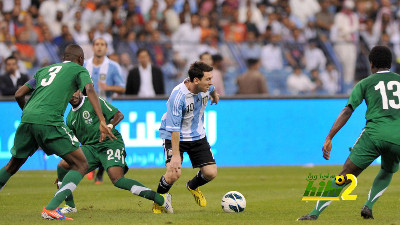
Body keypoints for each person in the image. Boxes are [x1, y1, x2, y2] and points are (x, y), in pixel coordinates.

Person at [0, 44, 115, 220]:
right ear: (80, 60)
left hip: (28, 118)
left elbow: (18, 94)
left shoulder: (44, 70)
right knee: (81, 164)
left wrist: (29, 114)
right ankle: (51, 208)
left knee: (13, 165)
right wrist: (101, 120)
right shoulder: (78, 69)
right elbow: (90, 89)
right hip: (49, 120)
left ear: (63, 58)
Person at [298, 46, 400, 220]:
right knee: (388, 170)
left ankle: (314, 213)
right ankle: (368, 205)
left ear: (371, 63)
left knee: (345, 175)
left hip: (374, 135)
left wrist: (330, 137)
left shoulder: (365, 83)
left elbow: (347, 111)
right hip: (398, 137)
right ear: (390, 63)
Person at [55, 89, 173, 214]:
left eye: (74, 91)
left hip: (110, 143)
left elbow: (119, 115)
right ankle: (70, 206)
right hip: (91, 148)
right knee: (63, 165)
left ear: (79, 90)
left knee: (118, 180)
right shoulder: (70, 119)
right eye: (69, 93)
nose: (72, 95)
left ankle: (161, 199)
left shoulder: (93, 101)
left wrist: (109, 126)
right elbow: (78, 143)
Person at [152, 61, 219, 213]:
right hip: (174, 135)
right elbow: (174, 129)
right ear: (196, 80)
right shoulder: (178, 96)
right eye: (208, 79)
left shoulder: (206, 87)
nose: (211, 82)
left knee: (210, 173)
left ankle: (192, 186)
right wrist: (176, 156)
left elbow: (213, 88)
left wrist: (215, 95)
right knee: (174, 173)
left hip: (197, 135)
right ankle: (159, 199)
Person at [84, 38, 126, 183]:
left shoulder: (113, 66)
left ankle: (99, 174)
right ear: (93, 47)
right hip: (87, 109)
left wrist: (108, 87)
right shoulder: (85, 65)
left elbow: (121, 87)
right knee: (88, 139)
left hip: (105, 109)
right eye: (97, 44)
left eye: (102, 45)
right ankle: (90, 167)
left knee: (104, 140)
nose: (99, 47)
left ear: (106, 48)